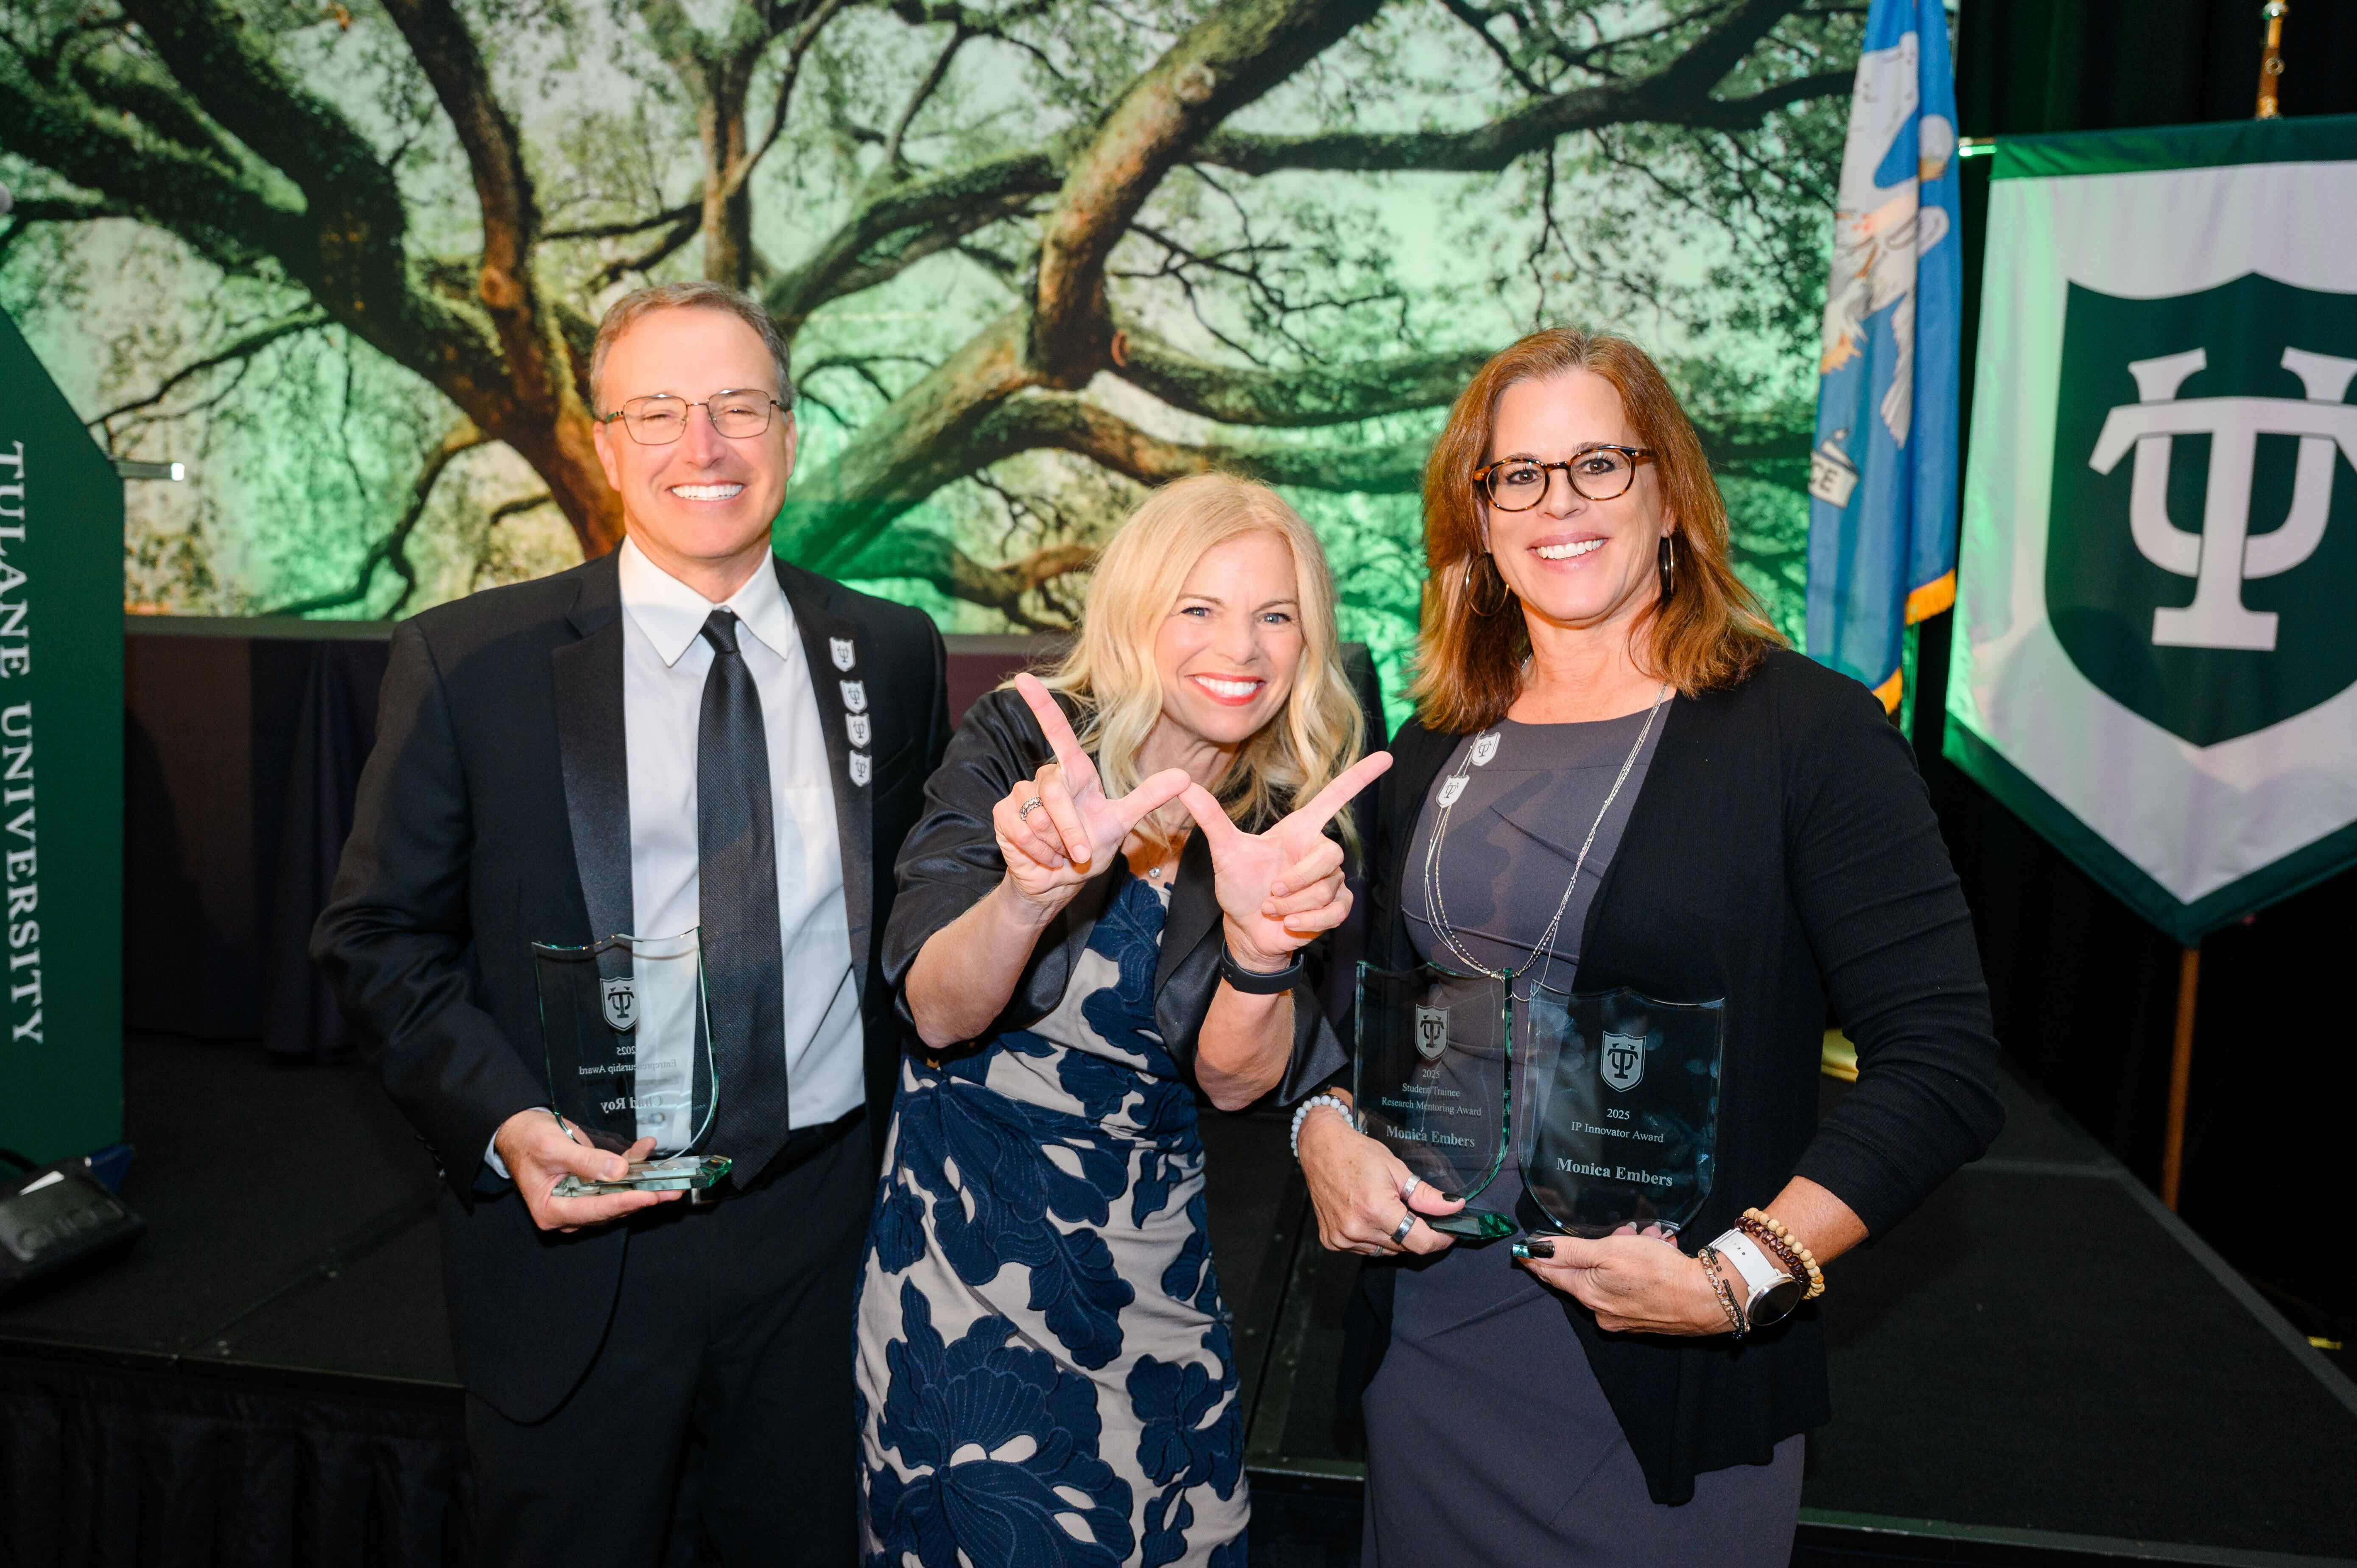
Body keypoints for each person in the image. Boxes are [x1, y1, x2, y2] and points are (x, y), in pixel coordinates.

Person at [1293, 328, 2005, 1564]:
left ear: (1669, 491)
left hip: (1667, 1371)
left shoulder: (1805, 732)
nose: (1557, 503)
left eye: (1598, 465)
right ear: (1478, 520)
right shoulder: (1435, 740)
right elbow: (1361, 1014)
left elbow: (1942, 1062)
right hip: (1437, 1342)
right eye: (1517, 474)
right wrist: (1324, 1130)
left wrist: (1746, 1271)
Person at [313, 281, 949, 1566]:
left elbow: (919, 925)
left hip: (818, 1239)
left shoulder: (890, 649)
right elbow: (375, 936)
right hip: (582, 1243)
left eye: (737, 407)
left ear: (789, 429)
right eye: (656, 411)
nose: (701, 447)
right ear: (605, 445)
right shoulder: (468, 664)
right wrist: (501, 1120)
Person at [857, 474, 1390, 1567]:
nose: (1240, 646)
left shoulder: (1296, 808)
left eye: (1274, 615)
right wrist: (1029, 894)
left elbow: (1241, 1084)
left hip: (1153, 1291)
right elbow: (934, 1009)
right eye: (1199, 607)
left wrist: (1257, 956)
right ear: (1138, 612)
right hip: (963, 1291)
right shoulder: (1024, 741)